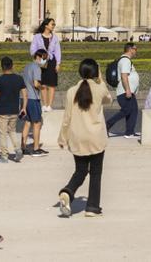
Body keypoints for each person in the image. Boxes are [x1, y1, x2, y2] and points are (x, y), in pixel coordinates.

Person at [57, 58, 113, 218]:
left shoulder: (71, 91)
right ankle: (92, 207)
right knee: (96, 173)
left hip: (77, 136)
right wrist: (101, 80)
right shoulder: (99, 88)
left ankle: (68, 191)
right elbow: (109, 100)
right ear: (96, 72)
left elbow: (67, 117)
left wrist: (62, 137)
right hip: (96, 137)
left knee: (80, 170)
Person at [0, 56, 26, 163]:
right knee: (12, 131)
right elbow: (25, 95)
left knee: (3, 133)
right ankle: (17, 149)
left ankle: (4, 156)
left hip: (2, 111)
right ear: (12, 66)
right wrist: (23, 108)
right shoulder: (19, 79)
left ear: (2, 67)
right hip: (14, 110)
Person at [104, 43, 140, 138]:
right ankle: (107, 124)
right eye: (135, 49)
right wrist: (127, 90)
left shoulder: (126, 60)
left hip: (128, 91)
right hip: (125, 91)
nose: (136, 51)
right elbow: (124, 76)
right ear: (130, 49)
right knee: (127, 110)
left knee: (134, 111)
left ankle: (129, 132)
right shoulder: (125, 60)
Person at [29, 18, 61, 112]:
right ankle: (45, 104)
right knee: (42, 84)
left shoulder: (54, 37)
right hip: (41, 62)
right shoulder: (37, 37)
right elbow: (32, 50)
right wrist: (39, 55)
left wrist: (58, 63)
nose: (53, 26)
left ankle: (50, 105)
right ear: (46, 25)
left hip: (51, 61)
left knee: (51, 84)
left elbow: (58, 51)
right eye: (52, 24)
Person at [21, 49, 47, 155]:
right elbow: (36, 84)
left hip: (24, 97)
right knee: (37, 123)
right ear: (39, 57)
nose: (45, 61)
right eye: (45, 58)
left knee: (27, 123)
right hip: (33, 98)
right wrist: (42, 87)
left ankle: (23, 147)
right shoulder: (37, 67)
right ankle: (36, 148)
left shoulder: (27, 66)